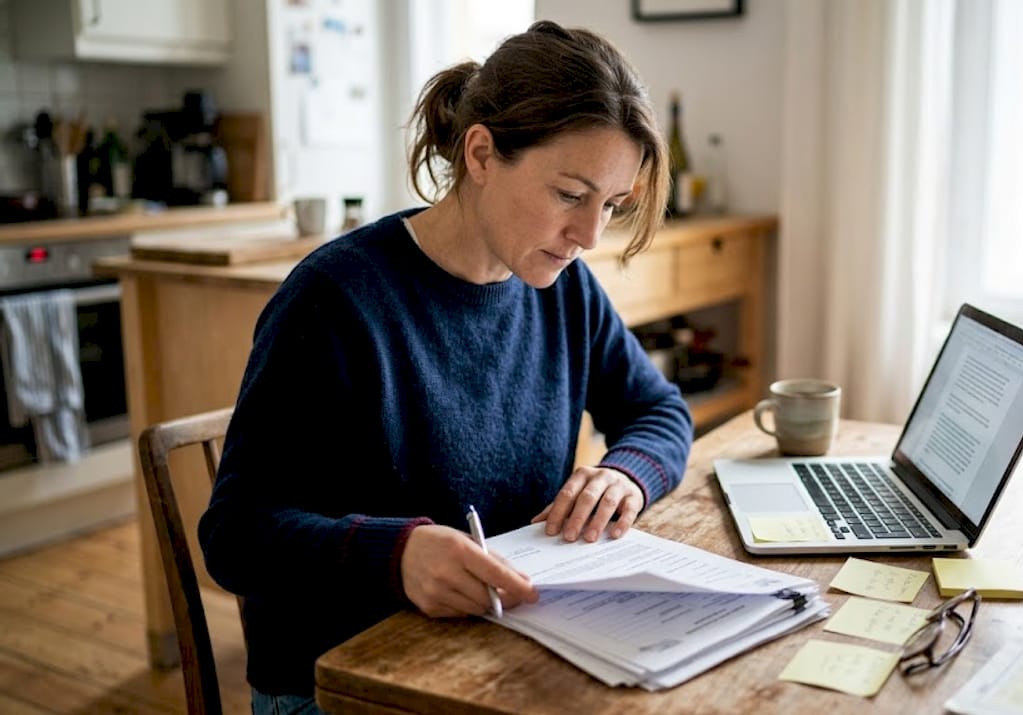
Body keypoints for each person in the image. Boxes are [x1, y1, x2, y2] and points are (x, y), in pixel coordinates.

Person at [198, 20, 692, 714]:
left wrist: (626, 473)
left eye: (610, 205)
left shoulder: (563, 287)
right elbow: (235, 534)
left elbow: (660, 410)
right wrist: (394, 556)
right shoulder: (335, 299)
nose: (589, 236)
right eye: (570, 194)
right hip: (337, 680)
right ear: (482, 153)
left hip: (495, 646)